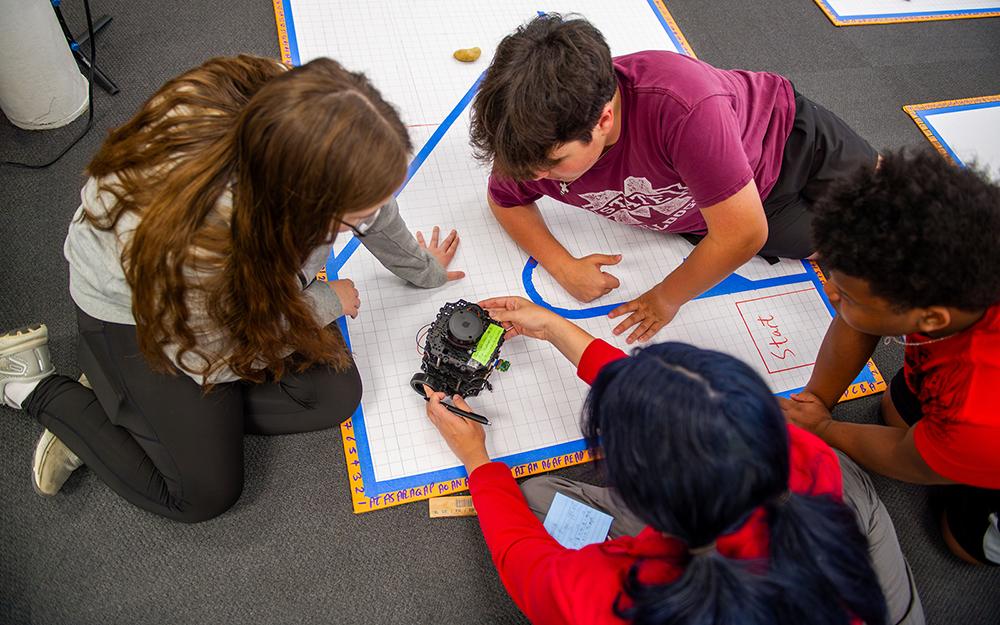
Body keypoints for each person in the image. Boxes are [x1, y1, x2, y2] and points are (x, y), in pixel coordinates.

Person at [0, 55, 463, 522]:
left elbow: (375, 206)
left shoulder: (302, 115)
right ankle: (40, 387)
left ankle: (129, 401)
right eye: (353, 218)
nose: (373, 217)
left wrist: (425, 271)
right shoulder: (204, 242)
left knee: (333, 393)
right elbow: (214, 357)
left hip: (234, 302)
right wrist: (322, 301)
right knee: (204, 495)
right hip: (139, 317)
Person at [423, 296, 924, 625]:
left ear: (647, 501)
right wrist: (556, 329)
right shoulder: (804, 453)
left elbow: (526, 569)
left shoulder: (618, 597)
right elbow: (685, 404)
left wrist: (476, 460)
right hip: (872, 595)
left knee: (530, 499)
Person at [470, 14, 878, 344]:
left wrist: (665, 299)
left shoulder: (683, 105)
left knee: (890, 217)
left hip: (789, 141)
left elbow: (741, 235)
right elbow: (505, 199)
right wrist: (560, 265)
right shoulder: (532, 145)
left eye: (553, 164)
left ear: (603, 120)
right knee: (846, 247)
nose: (537, 177)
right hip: (732, 208)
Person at [780, 149, 1000, 566]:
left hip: (987, 434)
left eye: (845, 294)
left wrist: (824, 428)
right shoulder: (951, 267)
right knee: (895, 411)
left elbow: (907, 458)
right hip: (960, 396)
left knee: (961, 541)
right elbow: (856, 322)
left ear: (932, 318)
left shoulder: (982, 409)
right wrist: (815, 400)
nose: (829, 293)